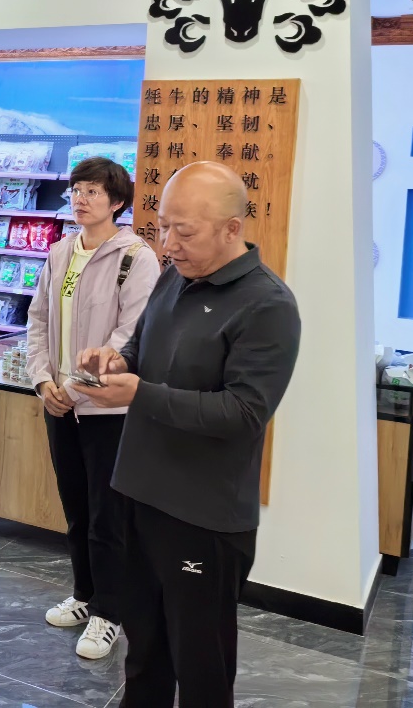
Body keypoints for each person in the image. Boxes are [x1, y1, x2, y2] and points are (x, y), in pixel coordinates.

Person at [78, 161, 301, 708]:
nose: (168, 243)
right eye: (162, 226)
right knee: (144, 654)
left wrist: (140, 394)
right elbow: (143, 347)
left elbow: (243, 413)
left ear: (232, 229)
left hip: (203, 515)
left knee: (202, 665)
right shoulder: (174, 274)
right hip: (139, 491)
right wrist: (116, 360)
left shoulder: (268, 304)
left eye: (185, 231)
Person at [25, 157, 158, 659]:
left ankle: (109, 613)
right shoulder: (61, 251)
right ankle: (84, 594)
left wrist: (75, 389)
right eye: (77, 190)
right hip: (59, 405)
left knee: (109, 516)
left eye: (93, 192)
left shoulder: (136, 258)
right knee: (76, 508)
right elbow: (38, 320)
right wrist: (43, 381)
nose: (81, 200)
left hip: (107, 411)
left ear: (117, 202)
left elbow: (129, 337)